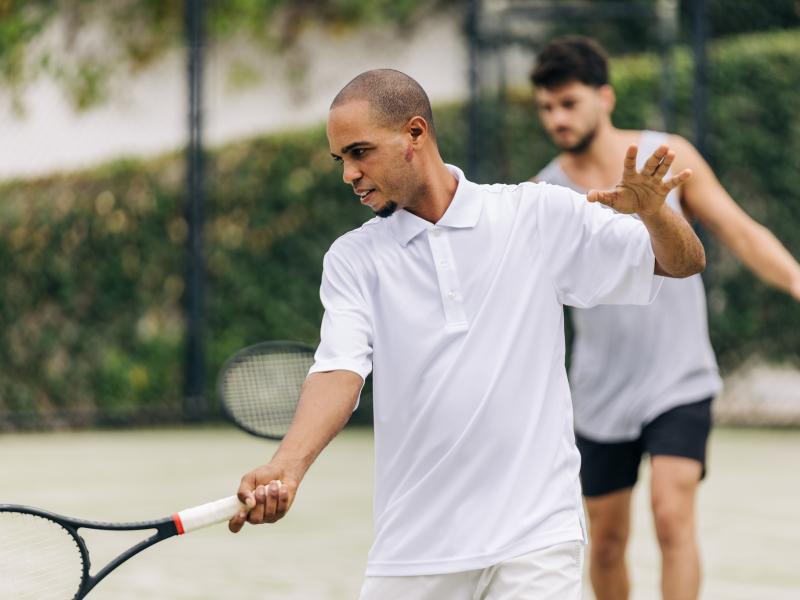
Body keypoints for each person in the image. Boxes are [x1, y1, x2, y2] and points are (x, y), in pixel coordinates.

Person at [228, 68, 706, 599]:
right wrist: (286, 468)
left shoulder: (534, 212)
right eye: (341, 159)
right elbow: (339, 370)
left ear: (415, 133)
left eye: (361, 152)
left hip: (536, 536)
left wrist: (657, 215)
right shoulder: (353, 259)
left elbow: (681, 262)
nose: (349, 174)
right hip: (413, 549)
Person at [529, 36, 800, 600]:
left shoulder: (666, 155)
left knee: (672, 515)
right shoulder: (543, 195)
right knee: (604, 539)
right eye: (546, 107)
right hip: (598, 390)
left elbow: (740, 230)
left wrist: (797, 280)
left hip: (679, 375)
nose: (557, 118)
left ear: (605, 97)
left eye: (569, 103)